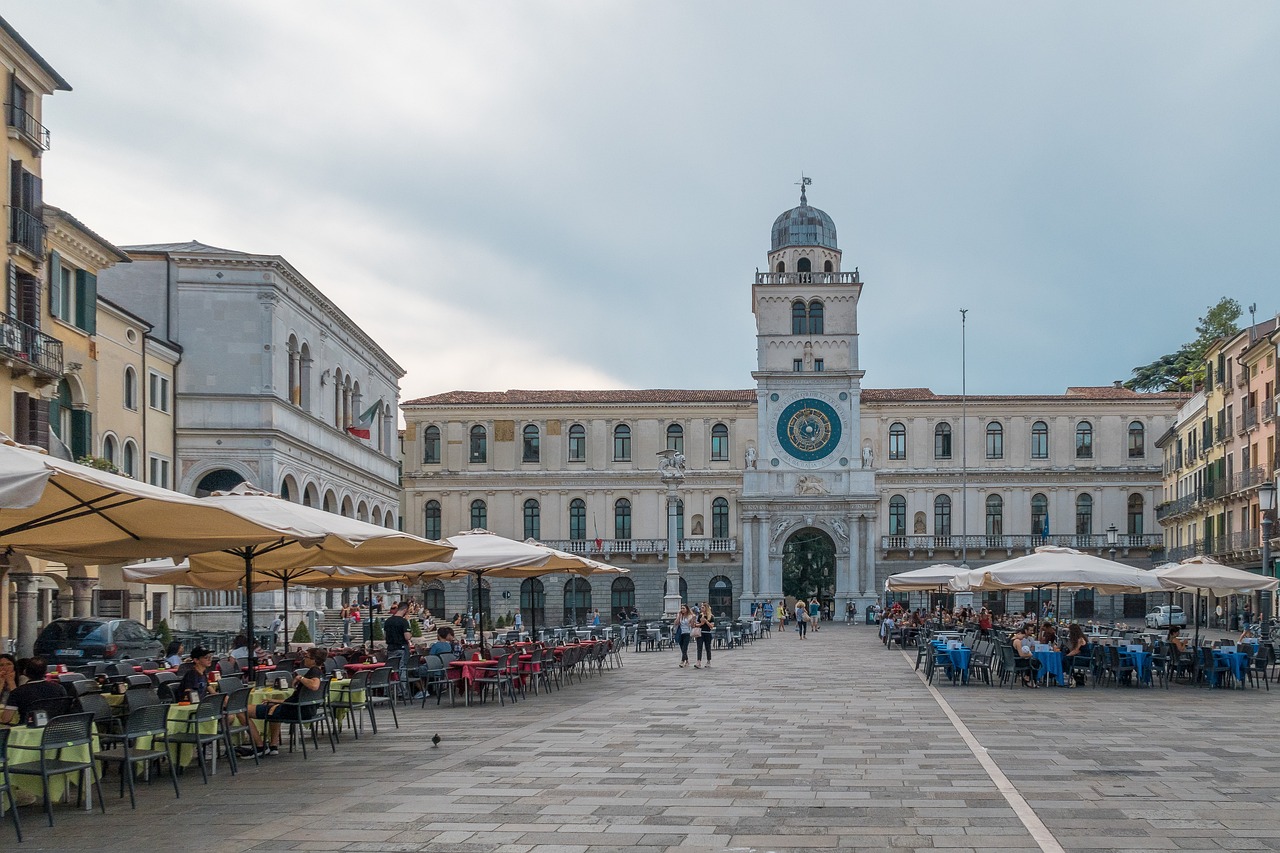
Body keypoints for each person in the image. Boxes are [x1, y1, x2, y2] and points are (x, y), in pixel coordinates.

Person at [243, 647, 327, 757]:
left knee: (243, 711)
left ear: (313, 660)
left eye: (306, 657)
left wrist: (300, 677)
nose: (303, 659)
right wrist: (275, 700)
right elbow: (296, 698)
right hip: (305, 709)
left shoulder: (314, 671)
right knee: (273, 707)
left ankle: (259, 746)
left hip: (294, 711)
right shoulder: (321, 672)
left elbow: (314, 686)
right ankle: (273, 746)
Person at [0, 657, 65, 724]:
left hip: (27, 729)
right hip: (54, 727)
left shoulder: (17, 692)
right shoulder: (59, 688)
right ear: (45, 672)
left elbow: (6, 719)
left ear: (25, 672)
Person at [693, 604, 715, 669]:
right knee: (699, 648)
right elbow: (696, 625)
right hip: (700, 633)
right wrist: (701, 624)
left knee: (708, 648)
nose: (701, 609)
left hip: (707, 633)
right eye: (701, 607)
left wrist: (706, 621)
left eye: (703, 607)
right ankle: (698, 661)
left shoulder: (711, 616)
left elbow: (711, 626)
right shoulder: (700, 616)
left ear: (706, 608)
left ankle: (708, 661)